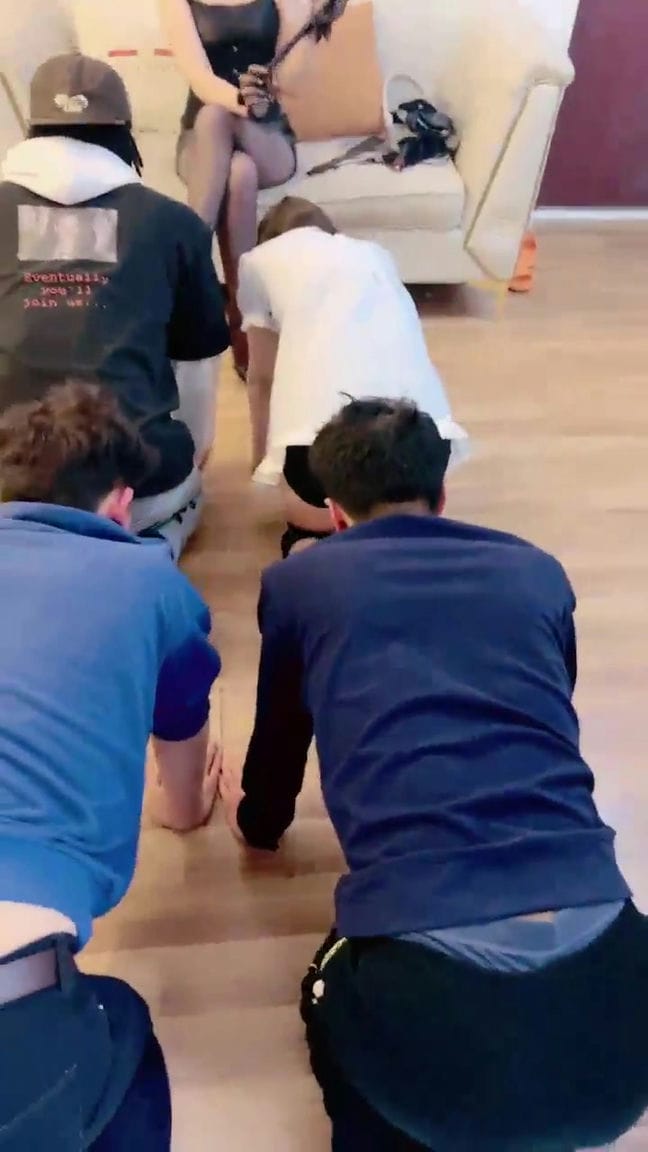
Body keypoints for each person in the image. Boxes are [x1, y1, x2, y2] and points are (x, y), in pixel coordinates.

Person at [220, 397, 648, 1152]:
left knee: (332, 1007)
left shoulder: (302, 584)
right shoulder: (537, 571)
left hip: (427, 1039)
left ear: (334, 511)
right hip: (617, 1062)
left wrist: (259, 822)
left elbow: (283, 731)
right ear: (443, 494)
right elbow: (556, 699)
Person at [0, 381, 222, 1150]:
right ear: (122, 505)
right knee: (121, 1034)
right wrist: (183, 809)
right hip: (22, 974)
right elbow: (182, 724)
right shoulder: (151, 583)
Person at [0, 52, 231, 559]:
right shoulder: (173, 223)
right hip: (133, 483)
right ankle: (143, 548)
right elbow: (199, 366)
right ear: (124, 133)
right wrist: (191, 453)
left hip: (9, 480)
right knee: (183, 482)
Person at [238, 197, 470, 556]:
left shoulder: (256, 262)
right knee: (398, 520)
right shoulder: (376, 255)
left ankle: (314, 540)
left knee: (307, 535)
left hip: (315, 469)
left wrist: (263, 462)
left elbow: (261, 379)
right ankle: (408, 537)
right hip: (423, 447)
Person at [161, 0, 319, 378]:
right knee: (238, 170)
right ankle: (245, 315)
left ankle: (186, 273)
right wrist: (242, 103)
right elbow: (200, 79)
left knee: (229, 134)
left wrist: (303, 30)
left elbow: (292, 80)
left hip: (266, 135)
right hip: (203, 137)